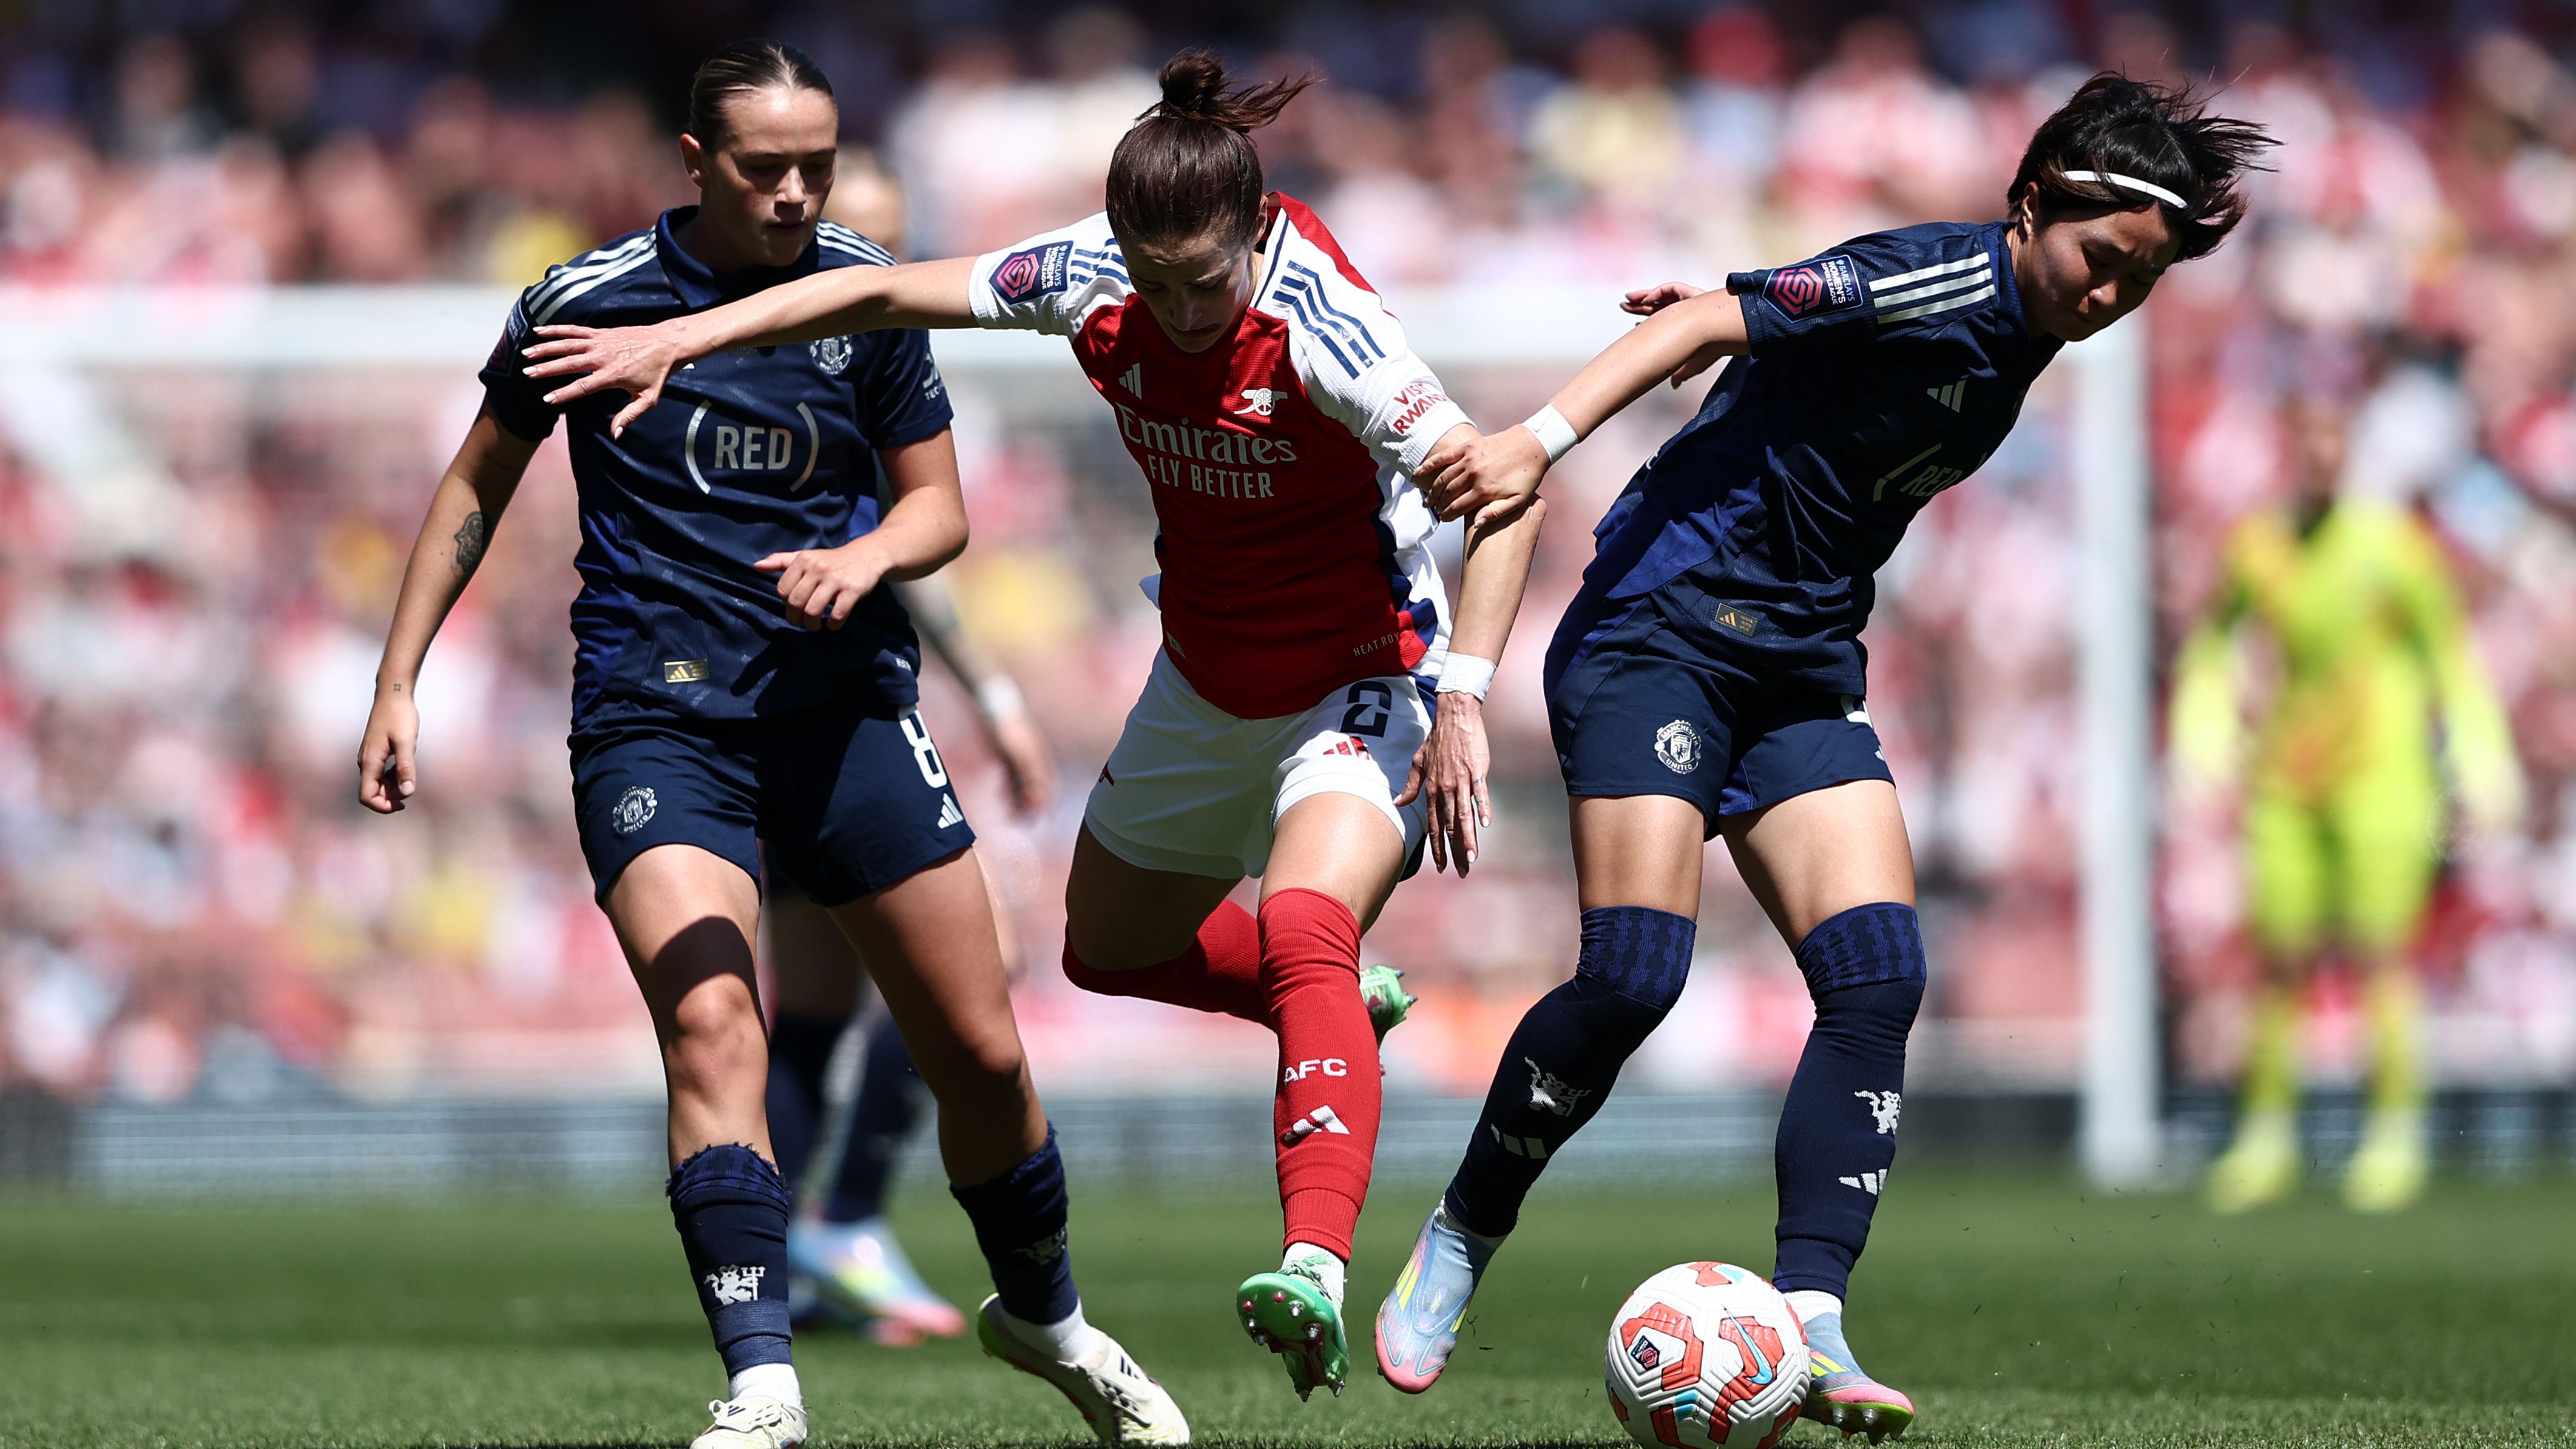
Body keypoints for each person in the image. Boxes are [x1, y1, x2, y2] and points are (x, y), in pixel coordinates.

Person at [521, 50, 1547, 1403]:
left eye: (1205, 283)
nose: (1179, 314)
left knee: (1306, 922)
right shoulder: (1088, 273)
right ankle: (1323, 1015)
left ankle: (1311, 1262)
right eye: (1154, 279)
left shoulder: (1333, 332)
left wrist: (1464, 693)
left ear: (1255, 229)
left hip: (1366, 670)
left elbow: (1502, 495)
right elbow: (882, 288)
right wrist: (678, 337)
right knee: (1102, 949)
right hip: (1204, 673)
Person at [1369, 75, 2273, 1443]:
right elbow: (1704, 320)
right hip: (1657, 633)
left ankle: (1809, 1317)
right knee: (1633, 978)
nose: (2105, 302)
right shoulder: (1933, 277)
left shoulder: (2025, 323)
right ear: (2029, 209)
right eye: (2097, 264)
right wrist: (1534, 447)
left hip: (1798, 667)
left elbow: (1763, 320)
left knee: (1878, 975)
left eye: (2135, 286)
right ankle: (1459, 1234)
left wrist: (1752, 328)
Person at [356, 39, 1187, 1449]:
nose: (798, 192)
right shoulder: (586, 301)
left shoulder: (860, 292)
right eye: (765, 169)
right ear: (694, 165)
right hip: (656, 722)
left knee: (978, 1056)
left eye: (816, 163)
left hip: (848, 717)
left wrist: (866, 557)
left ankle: (1045, 1320)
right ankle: (763, 1386)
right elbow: (472, 488)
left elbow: (940, 513)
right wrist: (398, 683)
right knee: (711, 1022)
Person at [2172, 396, 2521, 1216]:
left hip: (2383, 781)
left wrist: (2481, 754)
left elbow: (2450, 656)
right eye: (2309, 441)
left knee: (2381, 956)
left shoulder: (2393, 547)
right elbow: (2212, 645)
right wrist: (2204, 729)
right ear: (2292, 449)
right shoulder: (2259, 545)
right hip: (2287, 782)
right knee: (2280, 959)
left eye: (2335, 441)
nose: (2323, 458)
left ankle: (2395, 1133)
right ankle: (2267, 1137)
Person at [766, 573, 1055, 1343]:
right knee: (984, 958)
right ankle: (849, 1217)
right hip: (850, 714)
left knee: (812, 1007)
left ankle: (772, 1263)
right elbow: (910, 549)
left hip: (753, 704)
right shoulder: (857, 451)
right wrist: (998, 704)